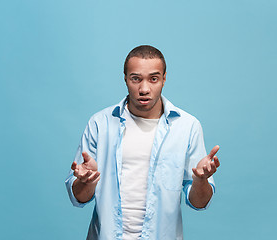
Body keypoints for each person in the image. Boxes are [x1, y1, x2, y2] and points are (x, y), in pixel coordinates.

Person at [65, 45, 220, 240]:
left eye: (153, 79)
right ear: (125, 79)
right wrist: (87, 180)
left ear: (164, 79)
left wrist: (200, 180)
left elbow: (199, 203)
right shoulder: (100, 124)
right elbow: (79, 197)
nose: (144, 88)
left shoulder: (187, 127)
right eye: (135, 79)